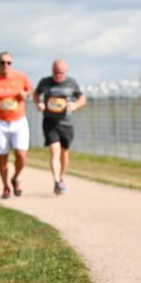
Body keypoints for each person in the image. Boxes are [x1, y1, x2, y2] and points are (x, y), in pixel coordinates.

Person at [34, 59, 86, 195]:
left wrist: (74, 105)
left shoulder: (71, 83)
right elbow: (36, 94)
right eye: (56, 73)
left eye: (61, 73)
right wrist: (39, 103)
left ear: (65, 72)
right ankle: (56, 181)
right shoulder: (44, 82)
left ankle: (61, 177)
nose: (58, 76)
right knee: (54, 151)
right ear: (52, 71)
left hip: (66, 123)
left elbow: (82, 98)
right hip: (50, 122)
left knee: (64, 154)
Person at [0, 51, 32, 199]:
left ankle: (15, 177)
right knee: (2, 157)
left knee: (21, 155)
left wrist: (25, 95)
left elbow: (29, 91)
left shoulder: (21, 77)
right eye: (2, 62)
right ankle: (5, 185)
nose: (5, 65)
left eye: (8, 62)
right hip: (0, 122)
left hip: (18, 120)